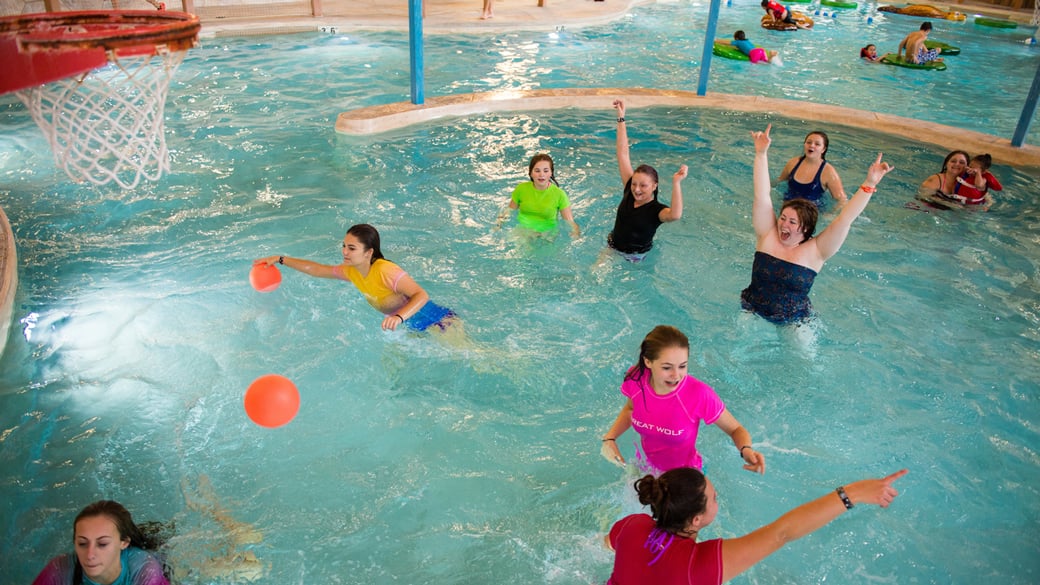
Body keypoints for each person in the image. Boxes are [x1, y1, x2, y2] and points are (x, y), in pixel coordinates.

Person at [604, 466, 909, 584]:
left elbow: (606, 544)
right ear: (696, 520)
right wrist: (852, 493)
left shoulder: (632, 525)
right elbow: (782, 533)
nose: (717, 498)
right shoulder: (697, 566)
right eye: (714, 497)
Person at [741, 125, 893, 324]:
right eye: (783, 218)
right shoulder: (767, 235)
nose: (783, 224)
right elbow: (762, 195)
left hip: (795, 319)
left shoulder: (816, 250)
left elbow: (845, 219)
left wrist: (870, 184)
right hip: (752, 307)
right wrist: (761, 154)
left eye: (792, 222)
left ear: (805, 228)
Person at [600, 325, 765, 476]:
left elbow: (736, 428)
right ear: (648, 362)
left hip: (685, 478)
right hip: (646, 468)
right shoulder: (636, 379)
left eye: (682, 366)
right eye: (667, 367)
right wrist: (610, 438)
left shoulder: (699, 394)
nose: (676, 375)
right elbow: (630, 408)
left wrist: (746, 450)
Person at [254, 223, 459, 335]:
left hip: (438, 322)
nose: (345, 251)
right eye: (344, 245)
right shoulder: (351, 271)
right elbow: (316, 269)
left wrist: (398, 317)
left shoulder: (386, 271)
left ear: (369, 252)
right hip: (410, 325)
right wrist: (280, 259)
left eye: (351, 248)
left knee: (478, 359)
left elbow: (421, 295)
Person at [604, 100, 687, 261]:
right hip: (612, 246)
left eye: (643, 185)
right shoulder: (629, 189)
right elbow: (623, 154)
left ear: (654, 186)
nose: (636, 189)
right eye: (634, 184)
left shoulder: (657, 211)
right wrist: (621, 118)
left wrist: (676, 183)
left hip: (636, 257)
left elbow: (675, 215)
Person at [33, 500, 170, 585]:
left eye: (102, 544)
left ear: (124, 542)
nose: (90, 555)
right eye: (82, 543)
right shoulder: (60, 570)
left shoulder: (145, 570)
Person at [496, 153, 580, 237]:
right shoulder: (521, 189)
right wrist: (498, 225)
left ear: (551, 173)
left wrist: (576, 235)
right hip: (523, 229)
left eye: (546, 171)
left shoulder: (560, 195)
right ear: (531, 173)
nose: (541, 174)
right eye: (537, 171)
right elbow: (509, 211)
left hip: (547, 232)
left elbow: (570, 222)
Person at [776, 130, 847, 207]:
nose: (812, 145)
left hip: (810, 214)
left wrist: (830, 215)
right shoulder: (793, 163)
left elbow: (842, 200)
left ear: (823, 149)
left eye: (817, 144)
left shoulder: (828, 172)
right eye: (809, 142)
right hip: (787, 209)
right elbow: (779, 181)